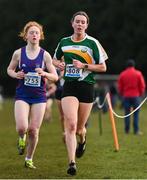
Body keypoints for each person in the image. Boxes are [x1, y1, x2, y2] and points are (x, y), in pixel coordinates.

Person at [53, 11, 108, 175]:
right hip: (69, 86)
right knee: (70, 124)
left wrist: (83, 66)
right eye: (77, 21)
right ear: (72, 23)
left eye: (83, 22)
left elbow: (103, 67)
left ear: (86, 25)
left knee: (79, 129)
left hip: (86, 86)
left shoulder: (93, 43)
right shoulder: (64, 42)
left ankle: (83, 140)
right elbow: (54, 59)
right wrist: (59, 65)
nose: (80, 24)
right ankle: (72, 163)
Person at [7, 21, 58, 169]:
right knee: (22, 127)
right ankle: (21, 138)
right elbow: (9, 69)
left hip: (39, 97)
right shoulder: (18, 53)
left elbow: (55, 77)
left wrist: (45, 73)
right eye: (31, 32)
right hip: (22, 95)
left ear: (40, 36)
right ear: (26, 35)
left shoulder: (45, 55)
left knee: (34, 130)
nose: (34, 35)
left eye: (37, 32)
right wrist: (16, 74)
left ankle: (29, 159)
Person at [118, 59, 146, 135]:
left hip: (126, 96)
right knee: (136, 114)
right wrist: (140, 93)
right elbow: (142, 85)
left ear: (127, 66)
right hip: (136, 96)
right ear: (134, 65)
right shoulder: (138, 73)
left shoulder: (122, 74)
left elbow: (120, 86)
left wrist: (121, 94)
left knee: (127, 113)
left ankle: (127, 130)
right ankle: (136, 131)